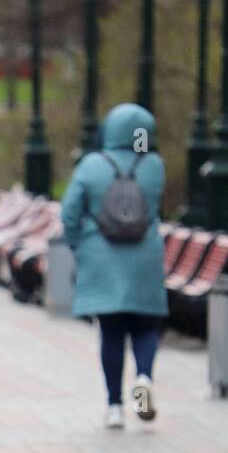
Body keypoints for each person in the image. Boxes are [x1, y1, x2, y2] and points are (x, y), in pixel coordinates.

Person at [59, 102, 167, 430]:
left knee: (112, 331)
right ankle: (144, 378)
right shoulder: (154, 166)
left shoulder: (91, 165)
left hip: (101, 257)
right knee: (146, 325)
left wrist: (82, 246)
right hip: (144, 256)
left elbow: (69, 213)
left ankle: (115, 406)